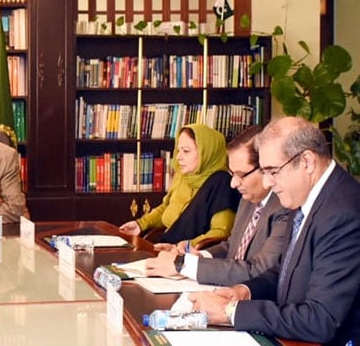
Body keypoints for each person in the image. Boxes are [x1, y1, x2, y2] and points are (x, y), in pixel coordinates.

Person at [190, 116, 360, 345]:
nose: (268, 182)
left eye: (272, 171)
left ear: (307, 162)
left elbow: (321, 320)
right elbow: (287, 268)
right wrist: (244, 291)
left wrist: (232, 312)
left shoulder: (342, 213)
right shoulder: (304, 196)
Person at [143, 125, 292, 285]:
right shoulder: (248, 199)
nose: (234, 183)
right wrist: (199, 257)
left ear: (266, 168)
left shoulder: (284, 208)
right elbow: (231, 247)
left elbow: (257, 270)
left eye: (241, 175)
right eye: (232, 174)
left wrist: (183, 265)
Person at [119, 123, 240, 247]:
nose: (178, 157)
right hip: (164, 248)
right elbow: (166, 208)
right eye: (178, 150)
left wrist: (182, 247)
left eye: (186, 151)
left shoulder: (221, 185)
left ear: (207, 153)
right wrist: (140, 224)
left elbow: (220, 234)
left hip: (192, 258)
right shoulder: (183, 176)